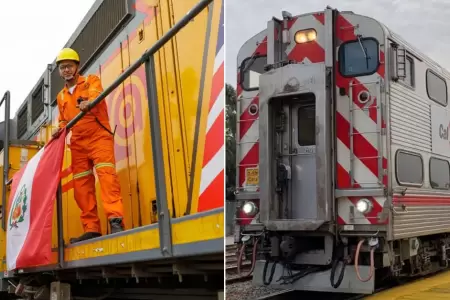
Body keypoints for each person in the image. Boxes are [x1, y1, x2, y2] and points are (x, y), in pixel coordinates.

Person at [52, 47, 125, 244]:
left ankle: (115, 220)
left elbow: (96, 94)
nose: (66, 70)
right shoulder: (61, 96)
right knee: (81, 187)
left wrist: (89, 102)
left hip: (98, 136)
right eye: (62, 67)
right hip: (78, 144)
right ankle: (92, 228)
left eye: (69, 66)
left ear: (77, 67)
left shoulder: (91, 80)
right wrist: (58, 128)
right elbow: (62, 120)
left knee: (107, 177)